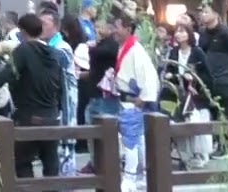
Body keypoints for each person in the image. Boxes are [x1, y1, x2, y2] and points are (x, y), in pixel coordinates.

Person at [0, 13, 63, 179]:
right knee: (51, 162)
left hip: (29, 115)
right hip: (52, 116)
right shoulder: (54, 54)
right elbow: (61, 87)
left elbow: (5, 75)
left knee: (22, 162)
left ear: (22, 31)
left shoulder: (23, 51)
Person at [109, 14, 159, 192]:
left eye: (117, 27)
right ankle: (139, 175)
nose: (114, 31)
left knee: (132, 140)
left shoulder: (136, 50)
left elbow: (148, 75)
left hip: (133, 99)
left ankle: (132, 176)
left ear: (128, 30)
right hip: (125, 97)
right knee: (135, 140)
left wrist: (144, 97)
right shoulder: (124, 48)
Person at [164, 22, 214, 170]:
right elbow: (169, 71)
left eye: (182, 31)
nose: (179, 34)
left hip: (195, 96)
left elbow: (207, 76)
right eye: (177, 32)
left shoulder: (197, 52)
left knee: (197, 125)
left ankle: (200, 154)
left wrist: (194, 78)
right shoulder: (173, 52)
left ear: (189, 34)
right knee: (179, 125)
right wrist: (171, 75)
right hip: (178, 95)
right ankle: (184, 155)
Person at [198, 5, 228, 159]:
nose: (203, 15)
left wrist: (225, 66)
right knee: (214, 112)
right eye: (202, 12)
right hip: (209, 79)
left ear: (216, 14)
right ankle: (217, 144)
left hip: (225, 79)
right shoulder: (203, 33)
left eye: (206, 12)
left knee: (225, 114)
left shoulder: (225, 33)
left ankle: (226, 147)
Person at [77, 19, 120, 174]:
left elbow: (103, 53)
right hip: (97, 93)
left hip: (104, 95)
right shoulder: (102, 46)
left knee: (101, 130)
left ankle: (101, 163)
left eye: (100, 27)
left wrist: (90, 48)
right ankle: (97, 161)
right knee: (95, 129)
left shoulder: (109, 46)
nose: (97, 29)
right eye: (96, 27)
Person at [51, 13, 82, 176]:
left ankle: (68, 178)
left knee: (67, 138)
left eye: (45, 23)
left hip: (67, 98)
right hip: (57, 100)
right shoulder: (52, 45)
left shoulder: (62, 47)